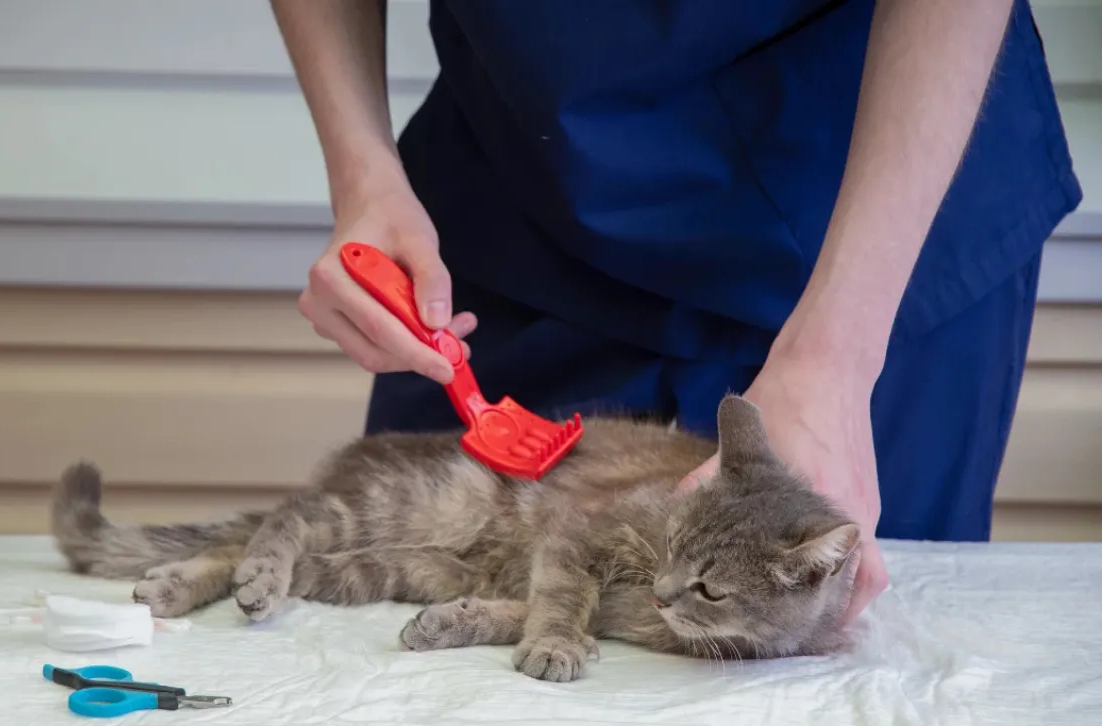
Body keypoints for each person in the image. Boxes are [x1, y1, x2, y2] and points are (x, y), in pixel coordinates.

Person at [269, 0, 1082, 625]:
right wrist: (361, 167)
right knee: (392, 605)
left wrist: (837, 358)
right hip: (525, 200)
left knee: (821, 693)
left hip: (872, 217)